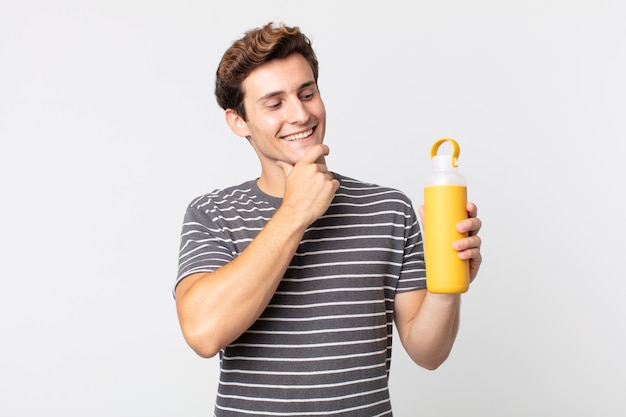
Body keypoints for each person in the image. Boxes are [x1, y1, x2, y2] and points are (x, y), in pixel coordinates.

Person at [174, 22, 483, 417]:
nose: (300, 114)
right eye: (274, 103)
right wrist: (295, 213)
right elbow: (203, 333)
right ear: (238, 121)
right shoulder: (213, 213)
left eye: (307, 93)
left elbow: (429, 353)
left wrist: (446, 284)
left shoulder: (388, 208)